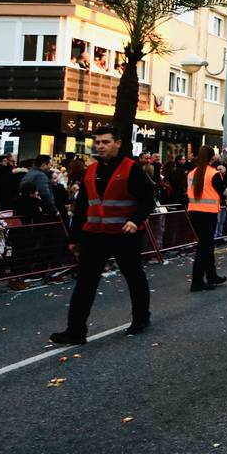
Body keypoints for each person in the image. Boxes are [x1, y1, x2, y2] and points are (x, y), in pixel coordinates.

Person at [49, 126, 155, 345]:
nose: (100, 146)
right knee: (85, 282)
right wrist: (73, 238)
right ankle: (76, 331)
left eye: (105, 142)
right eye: (97, 142)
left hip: (124, 234)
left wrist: (135, 221)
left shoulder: (131, 169)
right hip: (94, 235)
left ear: (117, 143)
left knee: (134, 276)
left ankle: (141, 319)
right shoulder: (91, 170)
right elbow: (82, 207)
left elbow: (147, 200)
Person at [186, 147, 227, 292]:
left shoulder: (191, 173)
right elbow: (223, 193)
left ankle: (211, 275)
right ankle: (197, 281)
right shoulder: (214, 174)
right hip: (208, 213)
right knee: (204, 247)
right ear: (211, 157)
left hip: (194, 212)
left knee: (206, 245)